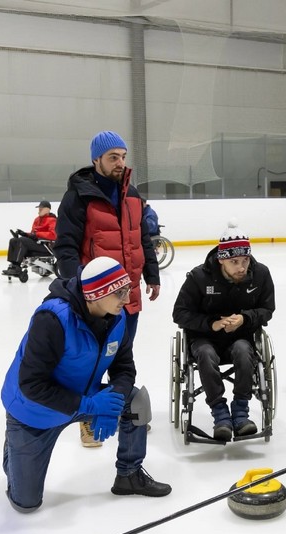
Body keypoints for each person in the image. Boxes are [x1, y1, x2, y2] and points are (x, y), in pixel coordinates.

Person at [0, 256, 171, 512]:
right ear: (94, 295)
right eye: (119, 293)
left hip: (86, 397)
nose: (127, 300)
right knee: (26, 503)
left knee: (136, 401)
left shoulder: (117, 318)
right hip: (35, 410)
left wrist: (111, 405)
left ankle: (129, 475)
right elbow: (32, 385)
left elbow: (124, 368)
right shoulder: (52, 319)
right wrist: (90, 406)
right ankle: (14, 449)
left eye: (127, 290)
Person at [53, 131, 161, 445]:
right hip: (96, 299)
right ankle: (87, 418)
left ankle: (120, 409)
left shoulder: (132, 195)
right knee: (93, 360)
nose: (120, 163)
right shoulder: (79, 195)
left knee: (121, 358)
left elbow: (142, 239)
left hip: (129, 295)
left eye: (123, 157)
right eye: (113, 157)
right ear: (96, 159)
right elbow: (66, 246)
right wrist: (77, 288)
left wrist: (152, 275)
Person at [171, 222, 276, 441]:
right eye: (234, 262)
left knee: (243, 351)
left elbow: (267, 309)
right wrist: (211, 323)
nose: (241, 267)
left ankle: (240, 412)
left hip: (240, 337)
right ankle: (220, 414)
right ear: (221, 260)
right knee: (206, 354)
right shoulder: (199, 277)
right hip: (204, 338)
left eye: (245, 260)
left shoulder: (261, 274)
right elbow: (179, 313)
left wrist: (245, 318)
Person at [1, 201, 58, 277]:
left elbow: (53, 235)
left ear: (47, 209)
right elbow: (33, 234)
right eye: (39, 208)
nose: (39, 210)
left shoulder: (52, 220)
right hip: (37, 243)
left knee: (22, 240)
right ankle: (13, 265)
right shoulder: (37, 219)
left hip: (45, 246)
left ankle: (17, 267)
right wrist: (25, 234)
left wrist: (36, 234)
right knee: (13, 240)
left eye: (41, 208)